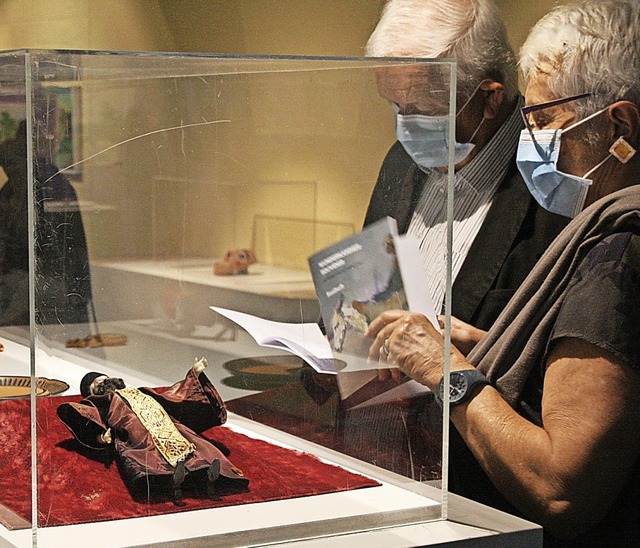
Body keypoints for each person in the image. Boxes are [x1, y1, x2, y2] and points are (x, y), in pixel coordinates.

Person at [366, 1, 640, 545]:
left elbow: (561, 488)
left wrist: (447, 368)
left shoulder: (619, 248)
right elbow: (571, 377)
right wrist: (489, 343)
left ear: (622, 126)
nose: (530, 138)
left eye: (540, 121)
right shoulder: (605, 225)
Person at [364, 0, 568, 355]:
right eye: (395, 106)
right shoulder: (400, 161)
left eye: (424, 109)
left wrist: (481, 348)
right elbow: (366, 294)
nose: (404, 127)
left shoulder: (557, 180)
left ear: (490, 98)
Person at [57, 358, 249, 504]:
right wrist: (101, 436)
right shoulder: (99, 401)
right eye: (97, 384)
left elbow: (171, 395)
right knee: (148, 455)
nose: (103, 383)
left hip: (165, 423)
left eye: (104, 379)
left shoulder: (139, 390)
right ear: (92, 391)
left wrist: (193, 375)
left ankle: (206, 473)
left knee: (194, 444)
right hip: (133, 431)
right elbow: (88, 416)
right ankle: (173, 481)